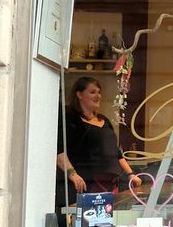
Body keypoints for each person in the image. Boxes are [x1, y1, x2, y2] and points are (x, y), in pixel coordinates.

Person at [56, 77, 141, 210]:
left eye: (99, 92)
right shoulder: (70, 119)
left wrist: (130, 174)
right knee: (88, 218)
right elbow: (59, 150)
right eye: (92, 92)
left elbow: (116, 153)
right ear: (79, 94)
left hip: (110, 184)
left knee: (106, 218)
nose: (98, 96)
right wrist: (73, 175)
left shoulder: (104, 120)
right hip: (85, 184)